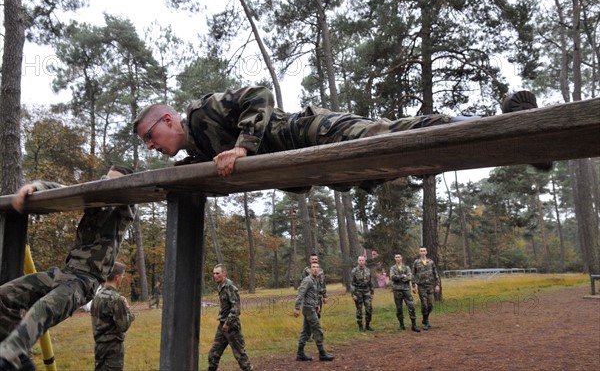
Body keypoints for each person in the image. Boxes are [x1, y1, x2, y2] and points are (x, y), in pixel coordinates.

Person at [132, 87, 549, 193]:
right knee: (411, 160)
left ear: (168, 119)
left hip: (311, 132)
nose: (151, 146)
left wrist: (243, 146)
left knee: (393, 137)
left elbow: (259, 94)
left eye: (151, 136)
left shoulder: (204, 112)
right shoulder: (197, 153)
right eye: (146, 145)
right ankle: (516, 146)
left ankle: (507, 122)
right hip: (315, 165)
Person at [0, 165, 135, 371]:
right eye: (105, 179)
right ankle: (16, 358)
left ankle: (10, 355)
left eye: (112, 180)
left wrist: (108, 184)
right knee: (5, 295)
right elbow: (63, 188)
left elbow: (125, 195)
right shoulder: (92, 200)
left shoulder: (123, 212)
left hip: (86, 280)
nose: (105, 183)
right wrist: (36, 186)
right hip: (66, 272)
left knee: (44, 307)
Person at [91, 262, 135, 371]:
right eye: (122, 275)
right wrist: (128, 311)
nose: (123, 278)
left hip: (99, 345)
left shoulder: (97, 296)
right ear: (117, 277)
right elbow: (123, 326)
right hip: (113, 347)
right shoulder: (116, 299)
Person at [207, 264, 252, 371]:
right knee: (213, 354)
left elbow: (236, 308)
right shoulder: (220, 286)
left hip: (232, 327)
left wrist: (228, 323)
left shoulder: (230, 287)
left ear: (224, 274)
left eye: (217, 273)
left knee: (240, 356)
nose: (215, 275)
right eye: (214, 273)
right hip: (222, 325)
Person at [294, 262, 334, 362]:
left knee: (306, 331)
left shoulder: (316, 280)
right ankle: (322, 354)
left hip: (312, 307)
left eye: (317, 267)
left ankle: (300, 354)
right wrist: (297, 308)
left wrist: (317, 305)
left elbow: (314, 294)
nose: (315, 269)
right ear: (310, 269)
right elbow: (300, 294)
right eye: (313, 267)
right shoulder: (308, 280)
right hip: (308, 308)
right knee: (317, 329)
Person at [389, 254, 420, 332]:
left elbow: (410, 277)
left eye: (399, 257)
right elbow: (392, 277)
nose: (397, 259)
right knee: (399, 308)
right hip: (397, 290)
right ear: (394, 259)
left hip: (406, 290)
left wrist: (401, 277)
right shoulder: (392, 268)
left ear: (401, 258)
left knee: (411, 306)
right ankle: (401, 325)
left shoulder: (406, 267)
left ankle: (414, 325)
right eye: (396, 257)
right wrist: (402, 276)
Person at [412, 247, 441, 330]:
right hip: (421, 286)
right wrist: (413, 286)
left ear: (426, 252)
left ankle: (425, 318)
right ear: (419, 252)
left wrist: (437, 285)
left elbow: (435, 273)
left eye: (424, 251)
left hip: (430, 286)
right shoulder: (416, 262)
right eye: (421, 251)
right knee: (424, 304)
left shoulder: (431, 262)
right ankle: (426, 321)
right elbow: (413, 274)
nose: (423, 252)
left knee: (431, 304)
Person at [300, 253, 327, 341]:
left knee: (317, 315)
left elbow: (323, 283)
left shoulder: (321, 270)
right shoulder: (306, 270)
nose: (314, 260)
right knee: (309, 317)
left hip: (318, 297)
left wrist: (324, 295)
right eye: (313, 259)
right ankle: (308, 335)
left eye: (315, 259)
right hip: (310, 297)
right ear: (310, 260)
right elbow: (303, 284)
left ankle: (315, 335)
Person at [351, 255, 374, 332]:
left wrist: (372, 292)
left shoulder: (368, 270)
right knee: (359, 309)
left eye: (362, 260)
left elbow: (370, 282)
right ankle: (360, 326)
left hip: (367, 291)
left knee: (369, 309)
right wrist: (353, 294)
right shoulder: (354, 271)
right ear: (358, 261)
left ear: (364, 261)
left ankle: (367, 325)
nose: (361, 262)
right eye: (360, 260)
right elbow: (352, 283)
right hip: (358, 292)